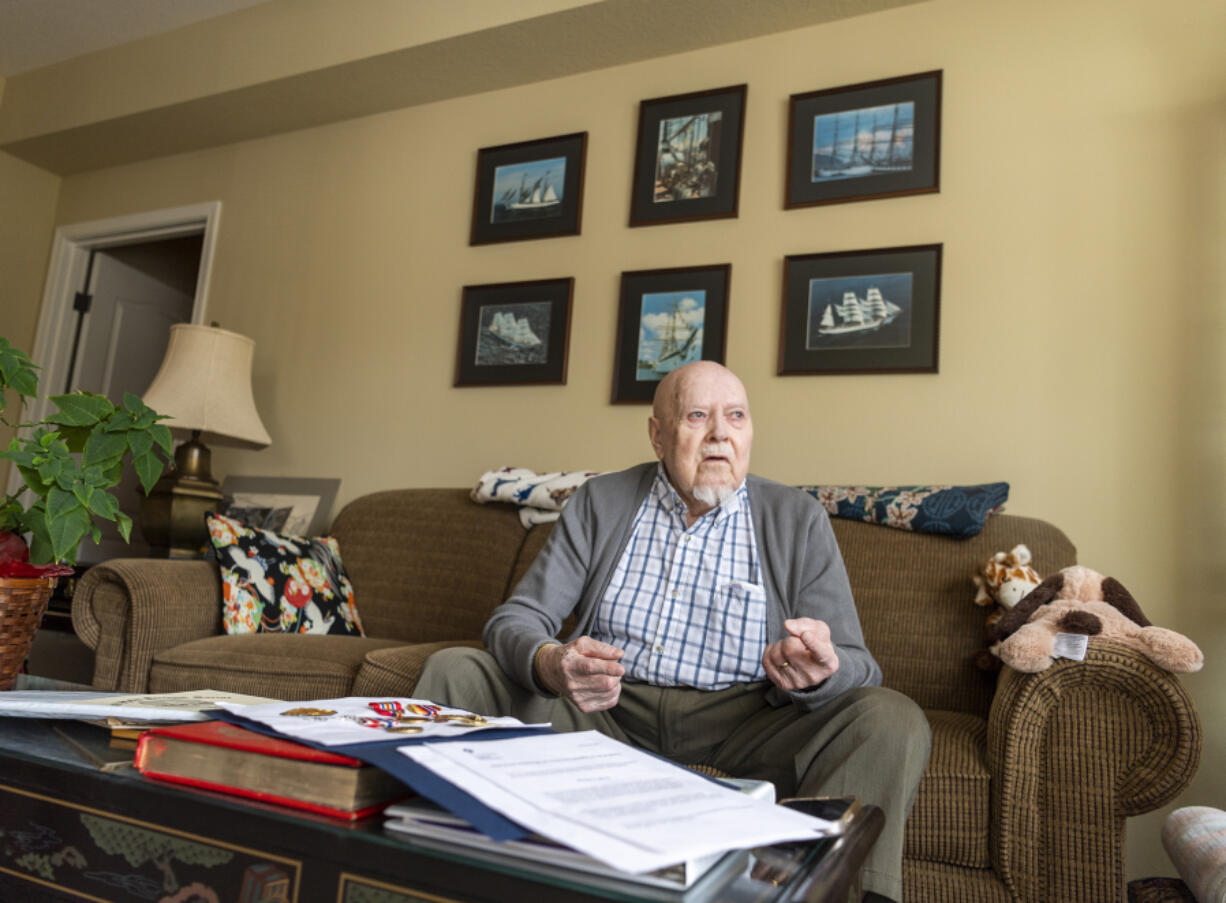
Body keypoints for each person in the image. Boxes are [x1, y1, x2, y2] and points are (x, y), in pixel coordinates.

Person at [415, 361, 930, 903]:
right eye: (697, 416)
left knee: (890, 718)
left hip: (750, 721)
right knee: (456, 668)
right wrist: (553, 662)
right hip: (607, 713)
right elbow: (516, 619)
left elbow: (857, 663)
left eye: (735, 416)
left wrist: (821, 670)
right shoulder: (601, 502)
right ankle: (423, 871)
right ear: (658, 435)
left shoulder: (794, 517)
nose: (720, 434)